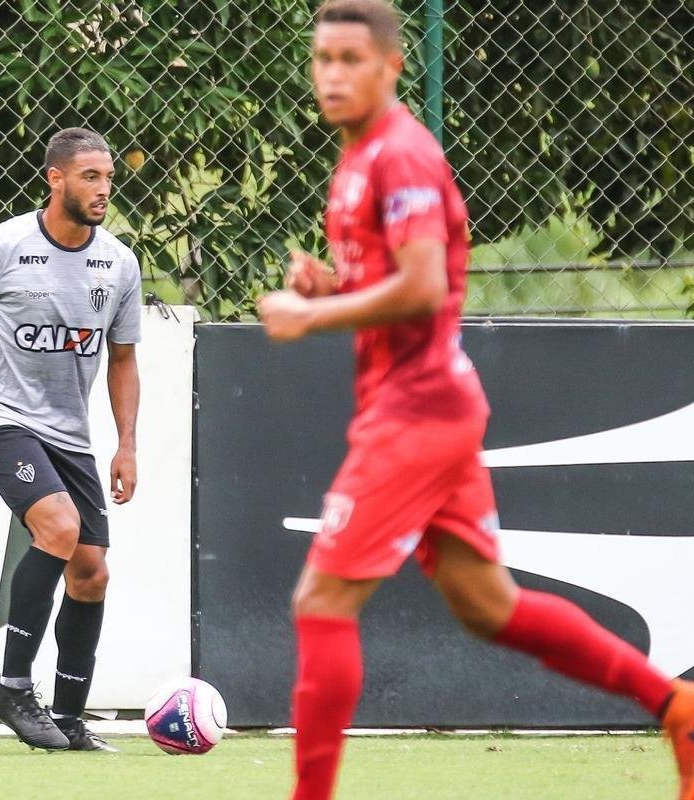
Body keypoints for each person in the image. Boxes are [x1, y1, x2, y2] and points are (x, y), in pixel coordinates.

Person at [257, 2, 694, 797]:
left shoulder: (402, 157)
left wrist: (312, 313)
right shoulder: (357, 159)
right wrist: (335, 284)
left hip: (416, 412)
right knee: (488, 605)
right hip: (430, 408)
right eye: (322, 58)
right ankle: (677, 707)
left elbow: (425, 287)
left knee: (321, 599)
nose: (331, 74)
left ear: (392, 67)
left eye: (350, 59)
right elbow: (405, 280)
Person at [0, 127, 142, 753]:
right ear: (55, 178)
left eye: (108, 178)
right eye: (90, 177)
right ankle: (13, 687)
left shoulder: (119, 263)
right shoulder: (1, 244)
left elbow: (123, 358)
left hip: (71, 433)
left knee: (92, 572)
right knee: (57, 525)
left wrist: (126, 444)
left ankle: (70, 718)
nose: (103, 189)